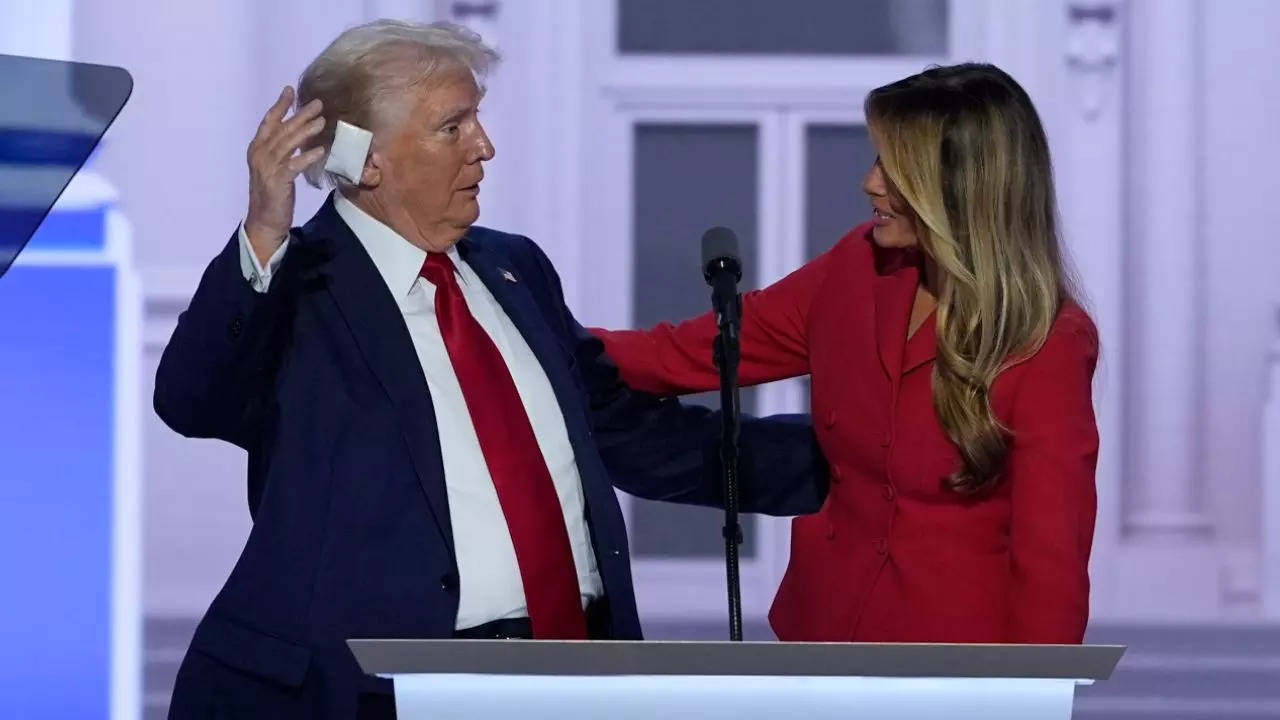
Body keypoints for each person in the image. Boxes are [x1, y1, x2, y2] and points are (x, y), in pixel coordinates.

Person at [155, 21, 824, 719]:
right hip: (378, 690)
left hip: (570, 672)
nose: (485, 146)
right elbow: (192, 400)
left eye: (477, 117)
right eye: (453, 126)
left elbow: (634, 437)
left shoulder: (516, 269)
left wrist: (862, 458)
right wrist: (265, 233)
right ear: (365, 160)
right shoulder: (299, 285)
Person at [594, 63, 1100, 645]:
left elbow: (1051, 555)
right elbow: (690, 353)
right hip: (822, 637)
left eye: (893, 167)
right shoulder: (858, 267)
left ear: (959, 187)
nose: (870, 183)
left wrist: (1033, 691)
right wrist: (530, 333)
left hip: (956, 665)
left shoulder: (1048, 341)